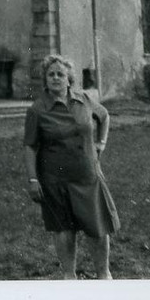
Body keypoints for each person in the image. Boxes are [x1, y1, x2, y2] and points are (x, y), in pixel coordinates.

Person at [22, 53, 119, 279]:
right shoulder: (37, 110)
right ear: (45, 80)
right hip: (55, 179)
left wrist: (100, 144)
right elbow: (29, 146)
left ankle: (104, 275)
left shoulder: (83, 99)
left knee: (98, 226)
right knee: (64, 228)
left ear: (69, 79)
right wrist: (33, 179)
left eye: (60, 74)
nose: (56, 78)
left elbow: (104, 117)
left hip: (87, 175)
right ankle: (69, 277)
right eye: (51, 74)